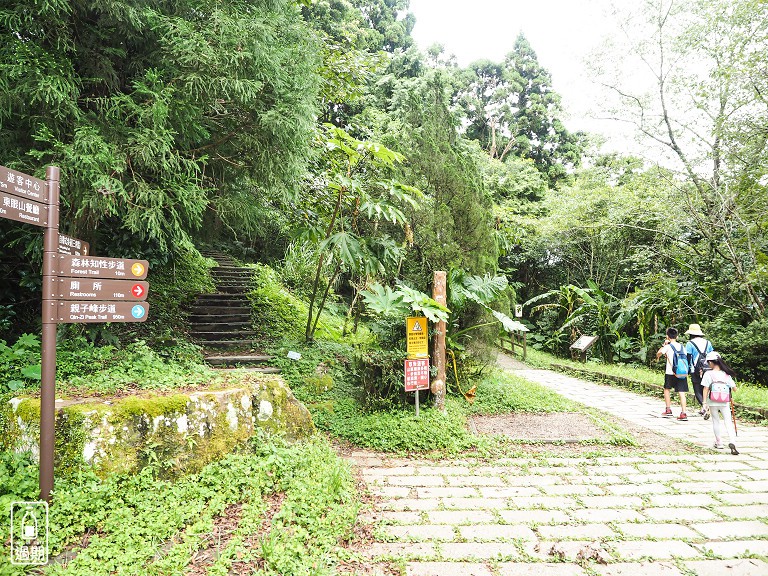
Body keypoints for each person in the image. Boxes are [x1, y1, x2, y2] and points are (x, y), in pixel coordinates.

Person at [702, 351, 739, 455]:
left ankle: (719, 442)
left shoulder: (708, 374)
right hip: (724, 401)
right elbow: (735, 388)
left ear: (711, 362)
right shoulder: (726, 374)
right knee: (728, 421)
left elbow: (705, 388)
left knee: (716, 420)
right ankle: (732, 441)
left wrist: (704, 403)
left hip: (713, 400)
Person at [656, 327, 688, 421]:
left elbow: (658, 354)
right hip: (681, 372)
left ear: (667, 336)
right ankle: (684, 413)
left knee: (667, 389)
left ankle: (668, 409)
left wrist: (664, 345)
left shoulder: (668, 346)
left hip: (670, 372)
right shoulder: (682, 347)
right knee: (681, 392)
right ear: (677, 336)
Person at [684, 324, 714, 416]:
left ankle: (705, 407)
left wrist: (688, 370)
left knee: (697, 391)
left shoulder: (690, 343)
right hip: (708, 369)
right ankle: (704, 408)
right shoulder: (708, 343)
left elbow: (688, 358)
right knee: (706, 389)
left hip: (695, 370)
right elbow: (712, 355)